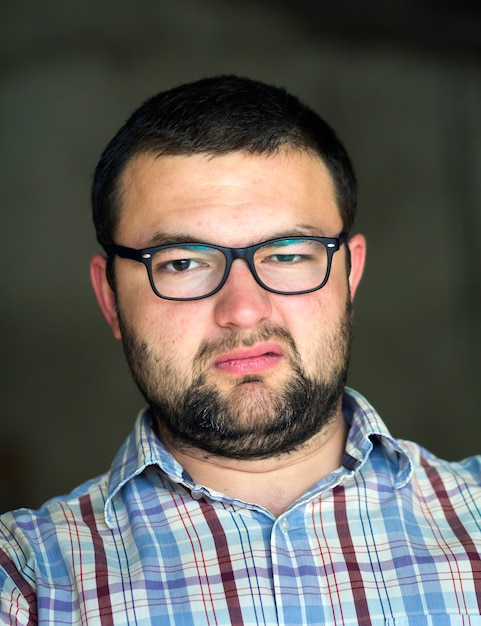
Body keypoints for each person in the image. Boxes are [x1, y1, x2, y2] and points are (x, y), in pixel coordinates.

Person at [1, 75, 480, 626]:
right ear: (110, 297)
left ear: (350, 275)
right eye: (182, 263)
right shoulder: (26, 580)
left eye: (289, 254)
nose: (244, 309)